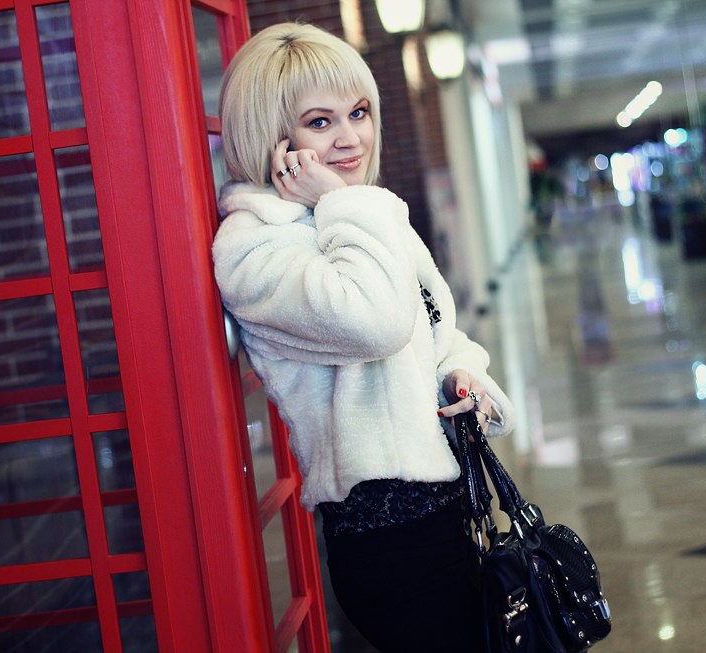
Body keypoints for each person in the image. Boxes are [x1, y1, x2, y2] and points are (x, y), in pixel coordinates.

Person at [212, 22, 516, 653]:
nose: (351, 137)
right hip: (386, 538)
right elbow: (376, 323)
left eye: (358, 112)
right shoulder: (255, 248)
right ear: (272, 137)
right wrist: (339, 202)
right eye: (320, 122)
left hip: (447, 509)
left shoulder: (359, 216)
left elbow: (435, 327)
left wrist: (461, 376)